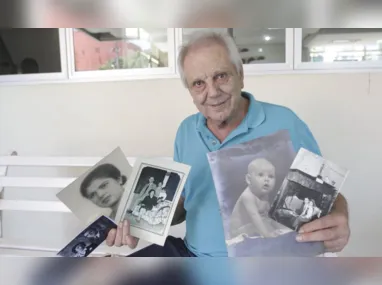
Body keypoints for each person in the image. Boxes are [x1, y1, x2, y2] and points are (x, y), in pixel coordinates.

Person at [106, 30, 350, 257]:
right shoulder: (186, 132)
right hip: (192, 257)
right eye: (198, 83)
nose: (212, 92)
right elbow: (182, 207)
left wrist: (340, 215)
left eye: (220, 76)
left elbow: (325, 194)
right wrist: (139, 225)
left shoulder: (285, 122)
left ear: (240, 75)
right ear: (190, 90)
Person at [228, 158, 283, 243]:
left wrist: (279, 228)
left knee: (268, 221)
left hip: (251, 224)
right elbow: (255, 217)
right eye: (261, 175)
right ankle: (266, 234)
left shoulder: (264, 195)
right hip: (238, 231)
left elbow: (269, 215)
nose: (266, 179)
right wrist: (267, 235)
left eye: (271, 176)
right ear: (249, 179)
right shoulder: (247, 196)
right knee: (261, 223)